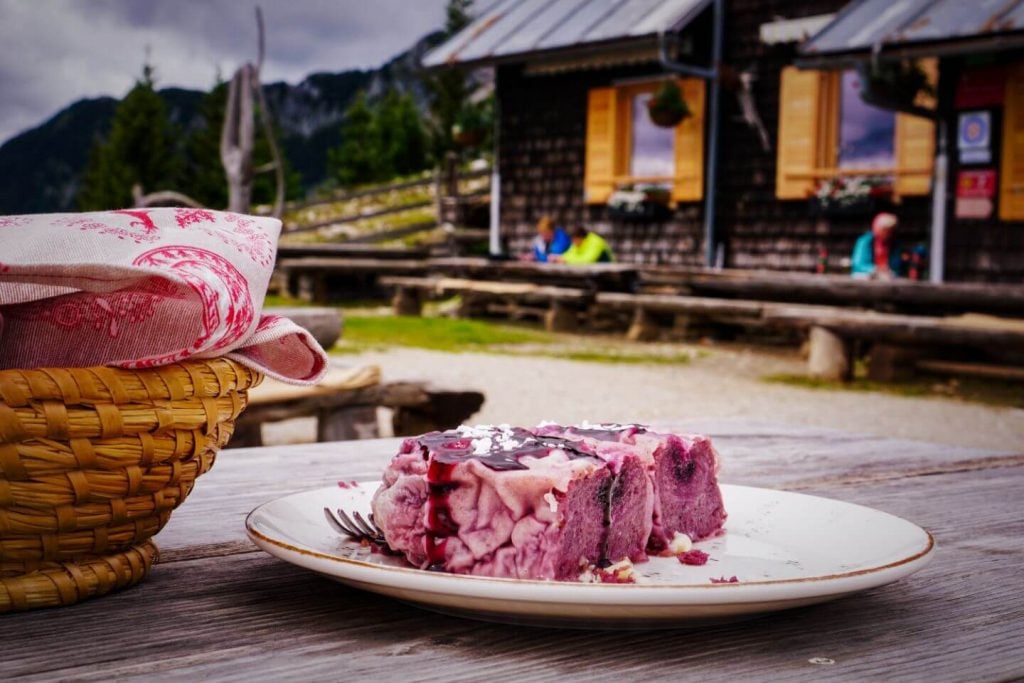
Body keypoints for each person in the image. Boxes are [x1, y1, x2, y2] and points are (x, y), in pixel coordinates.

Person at [851, 212, 905, 279]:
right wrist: (875, 269)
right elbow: (858, 264)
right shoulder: (865, 241)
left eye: (890, 231)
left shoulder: (895, 244)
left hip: (888, 277)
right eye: (884, 230)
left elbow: (896, 267)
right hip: (866, 275)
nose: (887, 233)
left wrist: (888, 270)